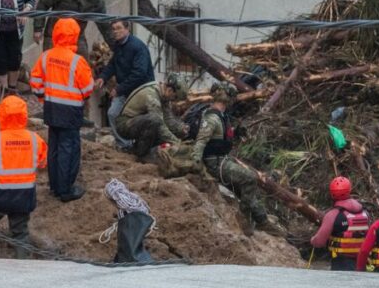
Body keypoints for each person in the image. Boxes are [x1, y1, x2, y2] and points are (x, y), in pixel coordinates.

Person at [188, 82, 286, 237]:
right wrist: (197, 165)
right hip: (215, 163)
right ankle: (244, 219)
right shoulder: (212, 117)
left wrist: (236, 132)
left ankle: (261, 219)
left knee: (246, 186)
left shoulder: (221, 116)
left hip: (223, 159)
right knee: (249, 178)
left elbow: (221, 135)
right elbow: (201, 141)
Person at [29, 17, 95, 202]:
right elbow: (88, 88)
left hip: (51, 108)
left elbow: (35, 83)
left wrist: (43, 97)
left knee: (55, 147)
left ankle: (55, 186)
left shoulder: (46, 56)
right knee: (69, 148)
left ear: (56, 33)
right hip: (71, 110)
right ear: (75, 36)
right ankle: (66, 190)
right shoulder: (77, 61)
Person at [0, 95, 48, 259]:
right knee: (20, 233)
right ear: (24, 115)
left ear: (1, 115)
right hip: (24, 196)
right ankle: (22, 268)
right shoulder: (35, 139)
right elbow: (43, 163)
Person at [96, 21, 155, 146]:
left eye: (119, 28)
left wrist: (119, 89)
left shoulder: (138, 47)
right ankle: (124, 144)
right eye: (113, 29)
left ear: (127, 29)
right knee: (113, 113)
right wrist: (103, 77)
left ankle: (140, 146)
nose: (116, 31)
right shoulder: (119, 45)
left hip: (141, 91)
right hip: (125, 89)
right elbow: (113, 64)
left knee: (139, 119)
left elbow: (140, 73)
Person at [33, 0, 112, 56]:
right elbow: (43, 3)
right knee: (52, 62)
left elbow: (105, 27)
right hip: (54, 34)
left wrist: (117, 47)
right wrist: (38, 28)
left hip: (77, 37)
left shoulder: (97, 3)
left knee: (83, 64)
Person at [113, 73, 186, 158]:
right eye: (175, 97)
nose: (174, 100)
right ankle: (141, 155)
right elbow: (159, 124)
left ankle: (135, 149)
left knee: (164, 127)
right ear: (169, 90)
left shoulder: (164, 95)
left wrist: (181, 129)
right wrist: (177, 143)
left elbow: (168, 119)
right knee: (155, 121)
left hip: (138, 122)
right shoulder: (152, 94)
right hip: (124, 124)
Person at [311, 176, 371, 271]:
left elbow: (319, 242)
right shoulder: (365, 213)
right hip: (362, 262)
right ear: (349, 190)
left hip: (341, 262)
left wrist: (313, 240)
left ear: (332, 193)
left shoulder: (332, 215)